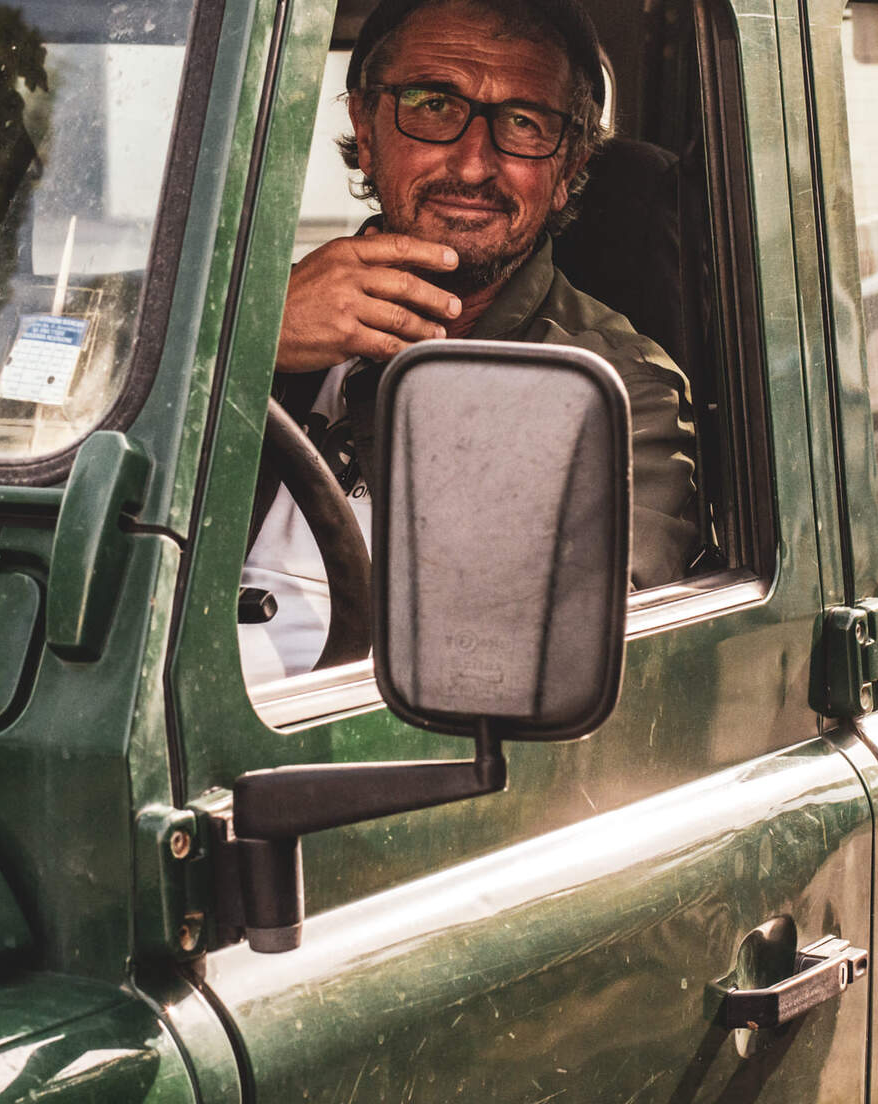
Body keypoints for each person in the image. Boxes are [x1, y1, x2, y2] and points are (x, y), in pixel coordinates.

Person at [241, 0, 699, 683]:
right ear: (366, 129)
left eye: (524, 122)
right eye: (433, 105)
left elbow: (554, 660)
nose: (475, 163)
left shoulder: (617, 390)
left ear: (568, 166)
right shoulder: (253, 317)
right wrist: (250, 337)